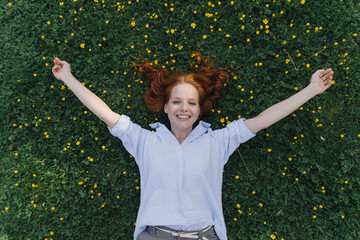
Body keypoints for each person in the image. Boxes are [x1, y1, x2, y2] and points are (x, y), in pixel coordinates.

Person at [52, 55, 333, 240]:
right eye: (176, 101)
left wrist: (312, 90)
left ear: (200, 110)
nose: (183, 108)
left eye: (191, 103)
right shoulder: (143, 141)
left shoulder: (219, 141)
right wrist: (68, 78)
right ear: (165, 107)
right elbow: (104, 112)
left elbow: (263, 120)